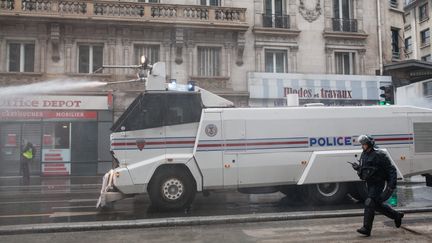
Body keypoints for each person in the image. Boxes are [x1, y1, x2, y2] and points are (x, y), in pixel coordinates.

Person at [351, 135, 404, 236]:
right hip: (369, 184)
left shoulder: (379, 154)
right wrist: (358, 168)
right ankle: (396, 215)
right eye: (362, 144)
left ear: (370, 143)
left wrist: (391, 185)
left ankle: (366, 228)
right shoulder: (364, 154)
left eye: (364, 144)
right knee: (375, 205)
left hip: (378, 183)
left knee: (369, 202)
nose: (362, 146)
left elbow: (391, 169)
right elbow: (365, 170)